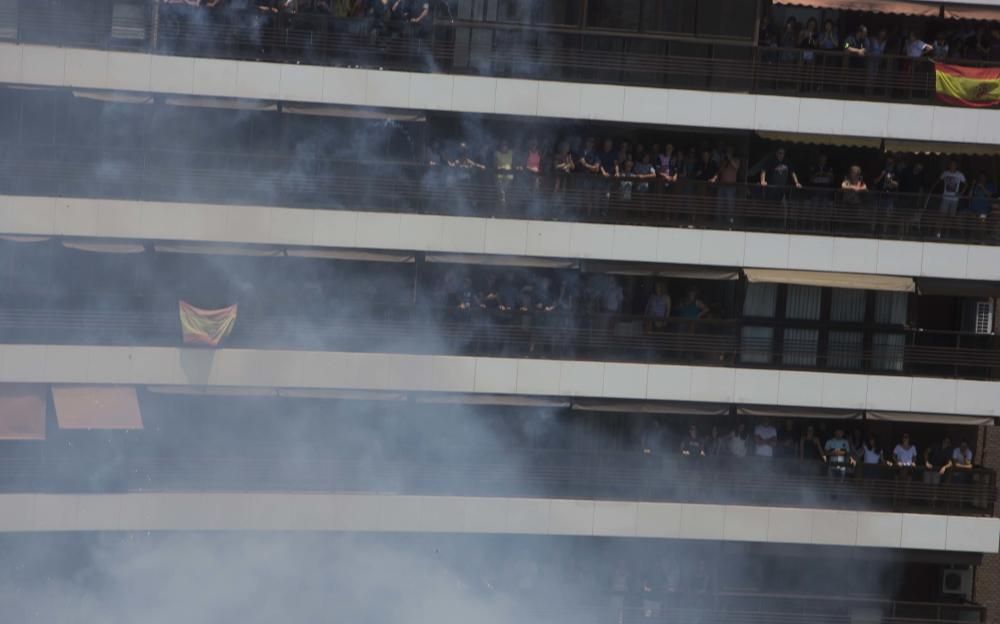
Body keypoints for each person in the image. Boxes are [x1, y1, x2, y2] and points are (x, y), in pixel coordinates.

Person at [936, 160, 967, 235]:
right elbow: (938, 181)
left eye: (954, 164)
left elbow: (966, 184)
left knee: (951, 217)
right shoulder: (945, 173)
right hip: (945, 198)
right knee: (942, 216)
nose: (952, 166)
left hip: (954, 199)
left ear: (956, 166)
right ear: (949, 165)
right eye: (951, 164)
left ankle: (947, 233)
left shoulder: (960, 174)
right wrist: (938, 192)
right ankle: (938, 232)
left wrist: (961, 193)